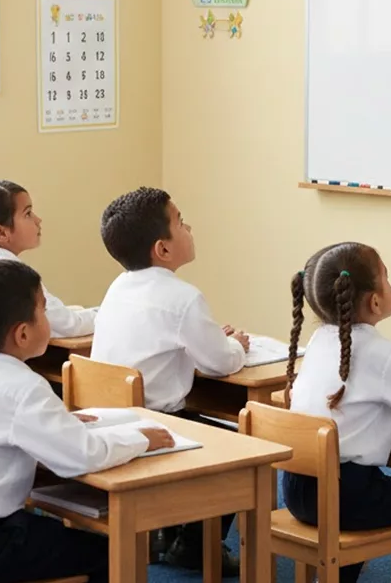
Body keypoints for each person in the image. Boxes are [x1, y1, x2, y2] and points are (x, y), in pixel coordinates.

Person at [0, 259, 173, 583]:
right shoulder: (23, 388)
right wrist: (143, 439)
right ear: (23, 333)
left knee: (56, 535)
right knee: (114, 553)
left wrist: (59, 422)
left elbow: (2, 426)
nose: (48, 318)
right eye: (44, 310)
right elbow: (84, 456)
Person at [91, 186, 249, 573]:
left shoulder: (118, 286)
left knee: (204, 424)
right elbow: (219, 363)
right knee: (239, 448)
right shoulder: (183, 297)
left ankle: (168, 531)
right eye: (181, 222)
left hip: (113, 419)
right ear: (162, 249)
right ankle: (195, 546)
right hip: (157, 424)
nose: (189, 227)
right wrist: (236, 345)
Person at [282, 242, 391, 583]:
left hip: (296, 490)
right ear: (375, 301)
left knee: (369, 498)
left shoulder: (319, 341)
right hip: (345, 496)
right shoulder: (383, 354)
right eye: (386, 277)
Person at [0, 179, 95, 337]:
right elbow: (71, 326)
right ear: (1, 233)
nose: (38, 220)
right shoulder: (10, 275)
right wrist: (106, 313)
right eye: (28, 213)